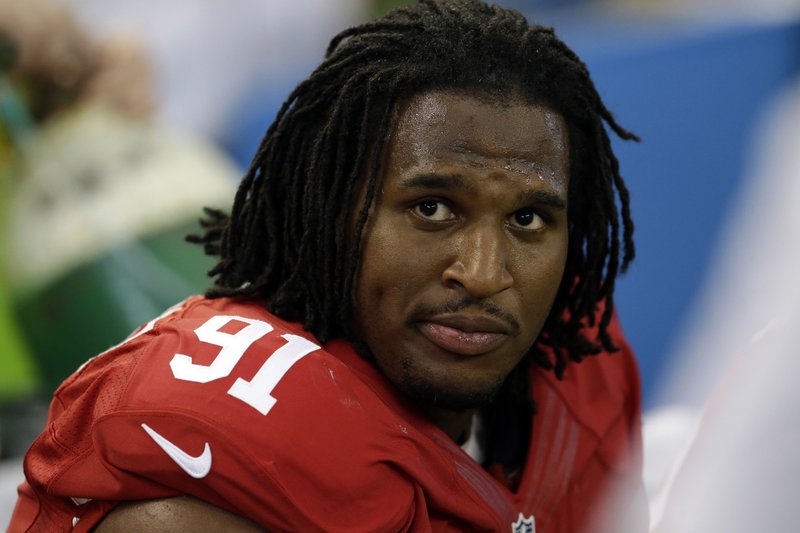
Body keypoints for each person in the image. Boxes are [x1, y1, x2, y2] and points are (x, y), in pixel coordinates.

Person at [8, 1, 647, 531]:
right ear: (334, 213)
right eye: (431, 208)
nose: (483, 274)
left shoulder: (582, 363)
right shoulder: (208, 490)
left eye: (529, 219)